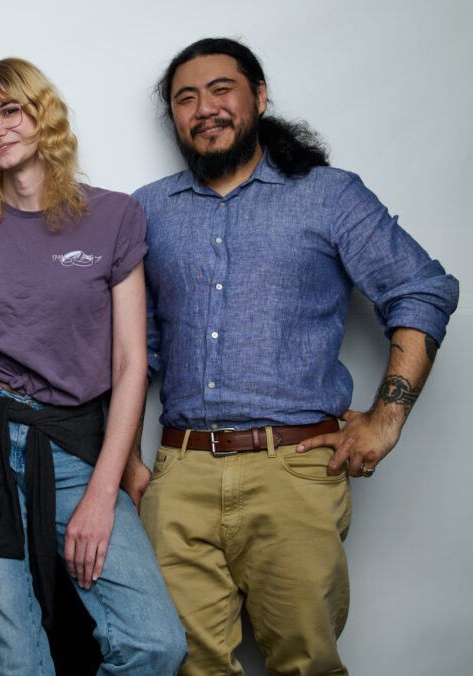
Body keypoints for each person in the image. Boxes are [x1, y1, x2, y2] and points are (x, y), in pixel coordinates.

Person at [132, 37, 459, 675]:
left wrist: (386, 416)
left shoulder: (329, 195)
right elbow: (130, 351)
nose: (204, 108)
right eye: (185, 98)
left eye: (221, 89)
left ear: (258, 96)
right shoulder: (147, 211)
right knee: (183, 664)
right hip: (179, 474)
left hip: (295, 472)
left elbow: (421, 287)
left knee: (305, 664)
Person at [0, 57, 186, 675]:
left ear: (44, 114)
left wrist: (105, 488)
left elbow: (130, 365)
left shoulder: (114, 216)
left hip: (76, 451)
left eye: (10, 110)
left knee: (154, 643)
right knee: (11, 662)